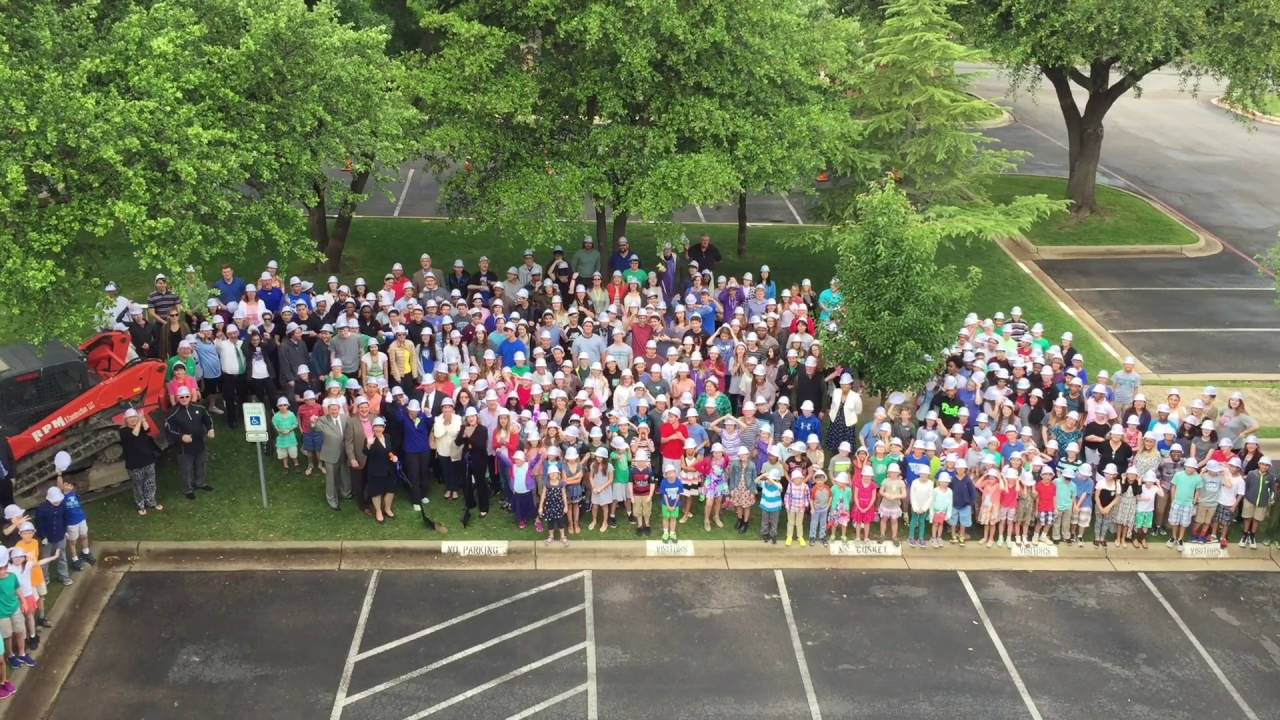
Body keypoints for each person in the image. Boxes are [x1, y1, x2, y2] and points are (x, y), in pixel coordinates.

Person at [164, 386, 215, 500]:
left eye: (186, 396)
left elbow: (207, 418)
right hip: (183, 448)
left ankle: (200, 483)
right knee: (186, 469)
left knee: (201, 464)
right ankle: (188, 489)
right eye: (181, 397)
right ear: (177, 398)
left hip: (199, 443)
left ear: (190, 396)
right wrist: (181, 437)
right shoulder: (172, 413)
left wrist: (210, 429)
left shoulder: (199, 408)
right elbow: (169, 430)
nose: (184, 398)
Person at [314, 399, 355, 512]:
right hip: (330, 453)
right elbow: (315, 427)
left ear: (339, 409)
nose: (334, 411)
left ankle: (346, 493)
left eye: (335, 409)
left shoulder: (345, 418)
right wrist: (313, 422)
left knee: (344, 473)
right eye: (331, 409)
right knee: (331, 478)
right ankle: (332, 500)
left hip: (344, 452)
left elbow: (350, 431)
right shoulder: (322, 420)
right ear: (328, 410)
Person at [363, 417, 397, 523]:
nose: (378, 429)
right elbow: (366, 452)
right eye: (376, 426)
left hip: (389, 469)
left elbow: (389, 450)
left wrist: (392, 456)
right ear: (373, 428)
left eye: (380, 426)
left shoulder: (387, 436)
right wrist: (369, 445)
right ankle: (378, 511)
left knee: (390, 490)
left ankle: (387, 508)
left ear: (384, 427)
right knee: (376, 492)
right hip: (376, 471)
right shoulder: (369, 439)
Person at [539, 465, 569, 545]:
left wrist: (566, 506)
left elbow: (564, 495)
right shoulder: (547, 484)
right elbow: (543, 495)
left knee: (561, 522)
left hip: (559, 506)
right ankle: (551, 536)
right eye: (551, 474)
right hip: (549, 507)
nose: (553, 475)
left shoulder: (561, 483)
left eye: (555, 473)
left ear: (558, 474)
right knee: (550, 522)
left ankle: (562, 536)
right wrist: (541, 507)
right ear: (548, 475)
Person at [272, 397, 301, 473]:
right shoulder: (276, 416)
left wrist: (290, 430)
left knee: (293, 452)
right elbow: (275, 425)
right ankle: (286, 466)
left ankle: (296, 464)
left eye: (284, 405)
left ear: (287, 405)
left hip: (291, 438)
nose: (283, 407)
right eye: (280, 405)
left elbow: (295, 424)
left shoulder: (291, 415)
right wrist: (279, 431)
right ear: (278, 406)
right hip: (281, 438)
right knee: (283, 453)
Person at [756, 468, 783, 545]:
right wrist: (763, 475)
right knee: (765, 521)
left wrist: (772, 481)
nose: (769, 481)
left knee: (774, 522)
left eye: (772, 479)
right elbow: (756, 481)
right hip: (765, 506)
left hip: (775, 508)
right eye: (769, 479)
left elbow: (781, 488)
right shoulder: (764, 484)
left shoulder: (778, 485)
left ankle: (773, 535)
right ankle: (765, 534)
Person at [657, 467, 683, 544]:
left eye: (672, 473)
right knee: (665, 518)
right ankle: (665, 532)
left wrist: (674, 505)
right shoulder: (663, 482)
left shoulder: (678, 482)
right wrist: (668, 505)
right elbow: (664, 494)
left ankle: (672, 532)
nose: (671, 475)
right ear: (666, 475)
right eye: (669, 473)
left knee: (673, 518)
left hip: (675, 504)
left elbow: (678, 494)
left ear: (675, 473)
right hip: (666, 504)